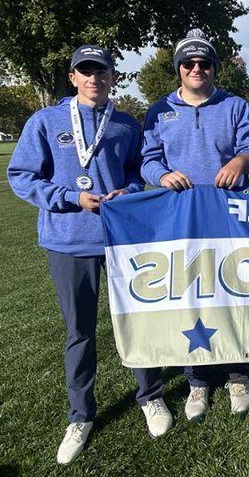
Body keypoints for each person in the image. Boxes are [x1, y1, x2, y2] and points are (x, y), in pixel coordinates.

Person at [8, 45, 172, 465]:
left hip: (121, 241)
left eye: (102, 71)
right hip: (67, 241)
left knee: (136, 322)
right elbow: (22, 176)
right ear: (73, 77)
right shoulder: (45, 121)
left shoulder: (124, 125)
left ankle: (150, 396)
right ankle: (80, 415)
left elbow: (139, 171)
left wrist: (130, 192)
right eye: (86, 71)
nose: (94, 78)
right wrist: (70, 197)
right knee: (79, 332)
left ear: (113, 77)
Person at [141, 29, 249, 420]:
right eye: (189, 63)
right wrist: (161, 174)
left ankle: (237, 373)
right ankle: (197, 381)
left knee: (233, 292)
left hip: (228, 216)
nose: (197, 69)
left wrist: (240, 162)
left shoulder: (235, 105)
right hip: (183, 218)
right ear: (178, 68)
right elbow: (148, 158)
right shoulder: (159, 110)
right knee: (191, 295)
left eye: (204, 63)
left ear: (214, 68)